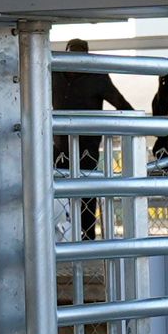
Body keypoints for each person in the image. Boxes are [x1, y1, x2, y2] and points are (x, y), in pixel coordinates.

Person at [48, 39, 124, 238]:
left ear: (87, 56)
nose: (75, 57)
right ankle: (61, 236)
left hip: (87, 145)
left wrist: (134, 124)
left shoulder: (97, 76)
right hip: (59, 144)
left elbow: (119, 102)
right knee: (57, 190)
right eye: (72, 52)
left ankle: (87, 235)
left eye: (79, 53)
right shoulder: (53, 73)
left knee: (87, 190)